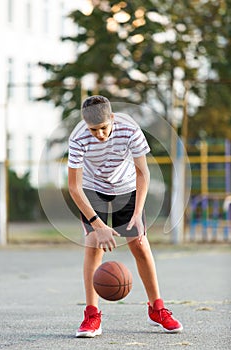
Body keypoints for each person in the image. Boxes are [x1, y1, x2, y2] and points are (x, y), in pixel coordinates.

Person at [68, 95, 183, 338]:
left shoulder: (129, 128)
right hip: (91, 188)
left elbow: (142, 174)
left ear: (112, 118)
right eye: (93, 129)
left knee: (140, 244)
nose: (98, 134)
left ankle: (157, 309)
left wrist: (138, 212)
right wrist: (98, 225)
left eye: (103, 128)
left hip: (126, 187)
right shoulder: (78, 137)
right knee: (93, 244)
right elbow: (74, 187)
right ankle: (91, 315)